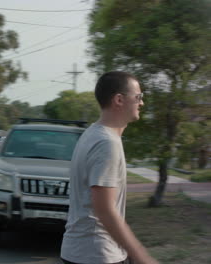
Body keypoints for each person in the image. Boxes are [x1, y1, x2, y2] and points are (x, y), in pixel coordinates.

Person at [60, 71, 159, 264]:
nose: (141, 103)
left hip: (83, 251)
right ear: (119, 100)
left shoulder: (92, 134)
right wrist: (140, 255)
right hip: (97, 254)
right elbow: (104, 208)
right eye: (138, 97)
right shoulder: (107, 143)